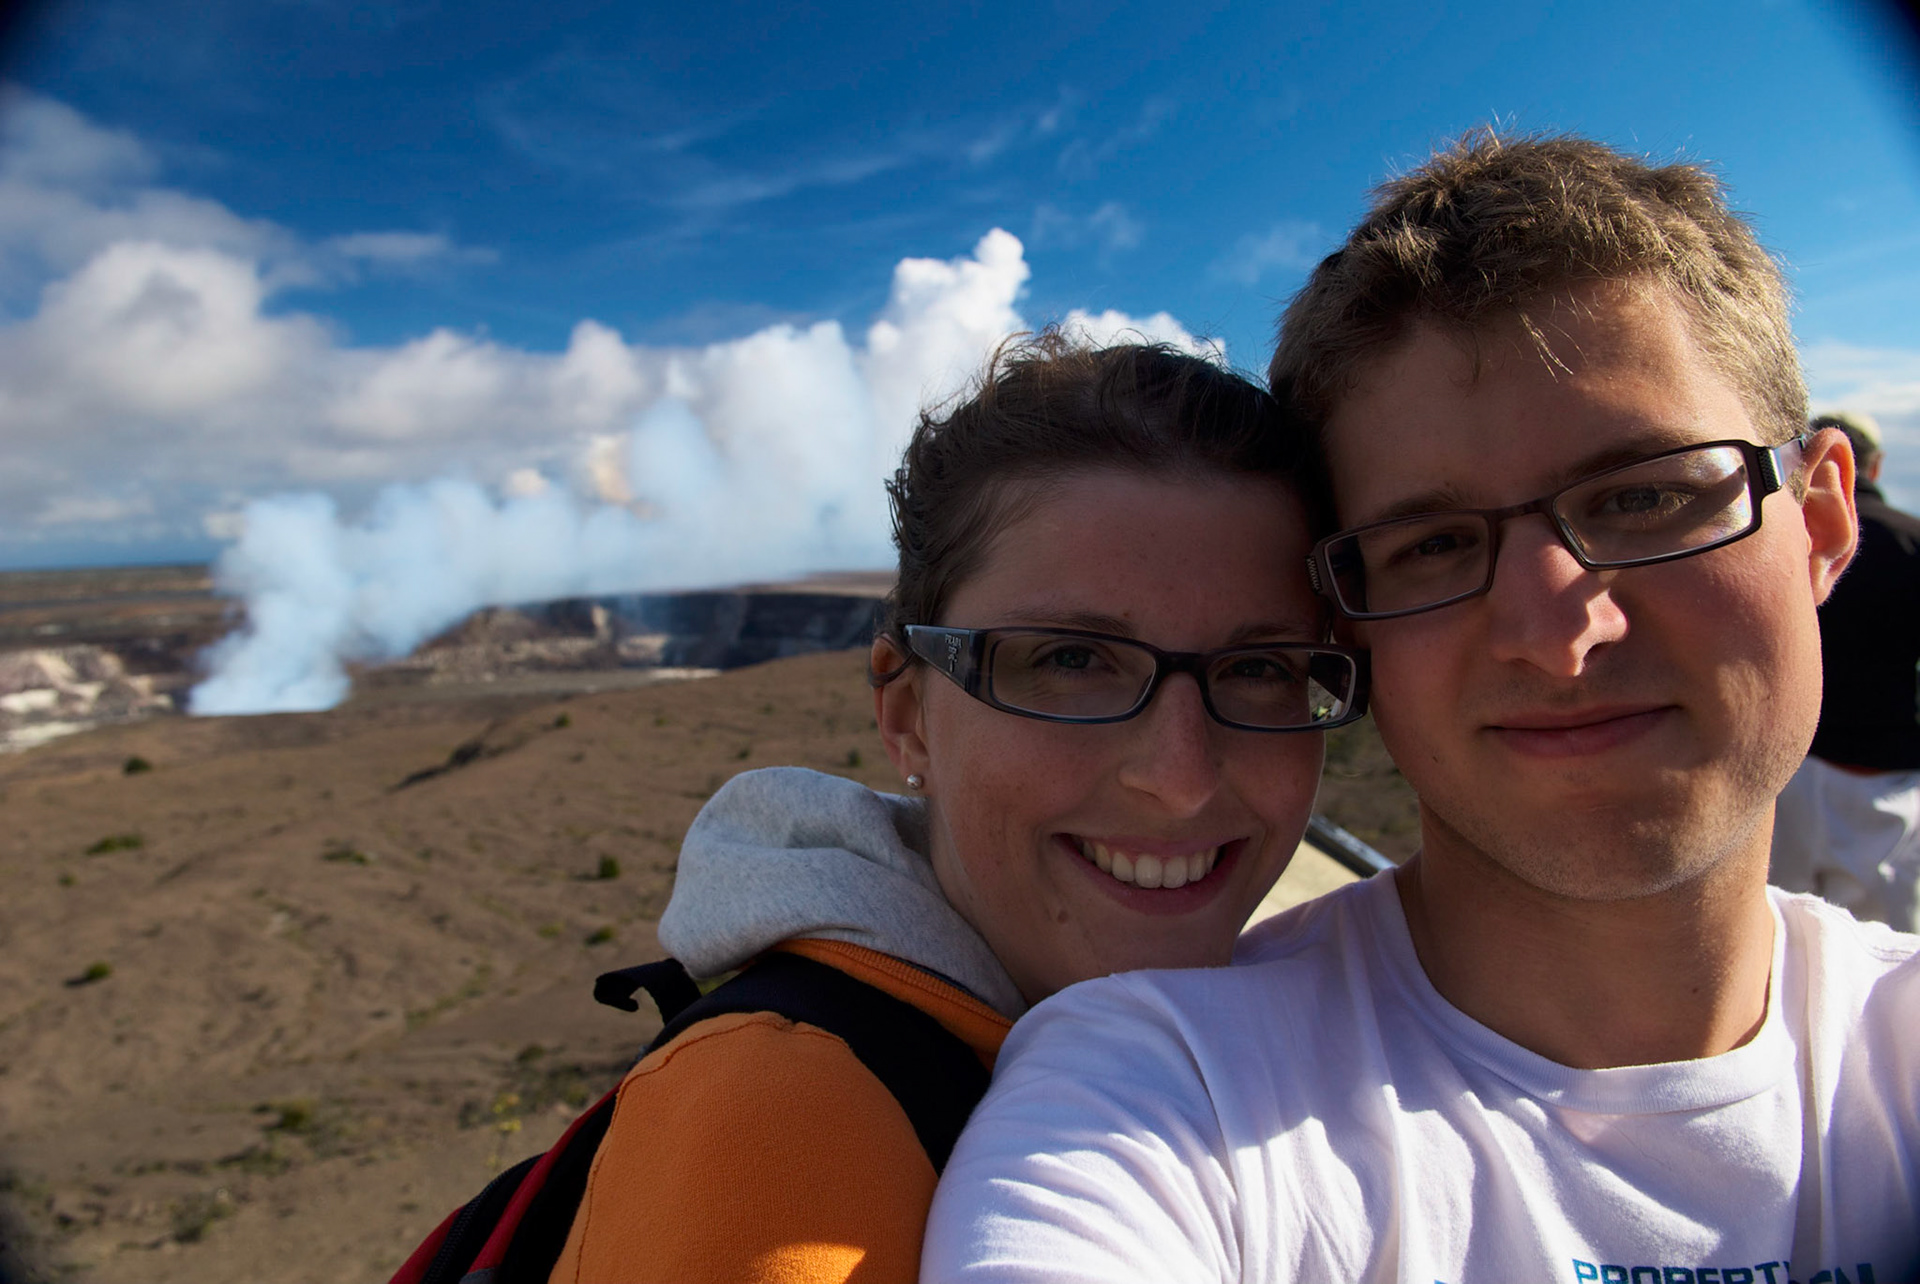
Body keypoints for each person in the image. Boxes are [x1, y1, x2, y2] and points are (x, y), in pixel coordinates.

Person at [923, 133, 1920, 1282]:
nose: (1555, 638)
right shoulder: (1158, 1105)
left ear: (1825, 524)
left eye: (1645, 496)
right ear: (1348, 629)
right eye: (1434, 545)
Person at [545, 335, 1366, 1283]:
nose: (1180, 778)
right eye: (1068, 660)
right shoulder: (782, 1124)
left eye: (1261, 669)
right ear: (908, 716)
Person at [1772, 409, 1920, 930]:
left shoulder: (1775, 541)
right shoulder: (1912, 540)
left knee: (1780, 942)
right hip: (1885, 777)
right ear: (1872, 467)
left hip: (1788, 765)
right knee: (1887, 961)